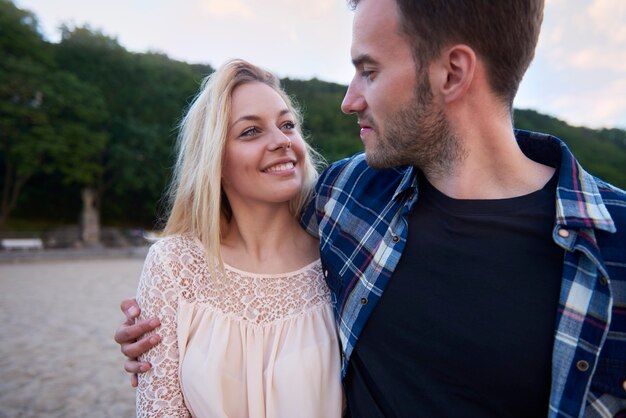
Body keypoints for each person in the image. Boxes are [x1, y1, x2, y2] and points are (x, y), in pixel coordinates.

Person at [116, 0, 626, 416]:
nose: (348, 99)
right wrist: (166, 337)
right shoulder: (350, 198)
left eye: (368, 70)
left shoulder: (615, 246)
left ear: (451, 73)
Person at [128, 59, 342, 417]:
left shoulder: (339, 254)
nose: (282, 141)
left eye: (287, 124)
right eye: (251, 131)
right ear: (215, 159)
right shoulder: (173, 264)